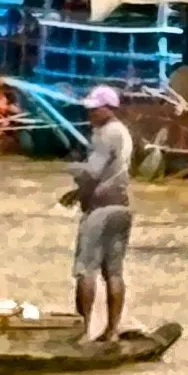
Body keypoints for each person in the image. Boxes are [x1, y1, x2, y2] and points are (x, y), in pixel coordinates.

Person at [60, 84, 134, 343]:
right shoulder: (122, 133)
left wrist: (73, 172)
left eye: (95, 109)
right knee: (114, 272)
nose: (90, 113)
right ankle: (112, 331)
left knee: (85, 270)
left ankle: (83, 333)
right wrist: (76, 194)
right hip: (122, 207)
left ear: (109, 108)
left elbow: (92, 172)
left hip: (100, 209)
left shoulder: (105, 134)